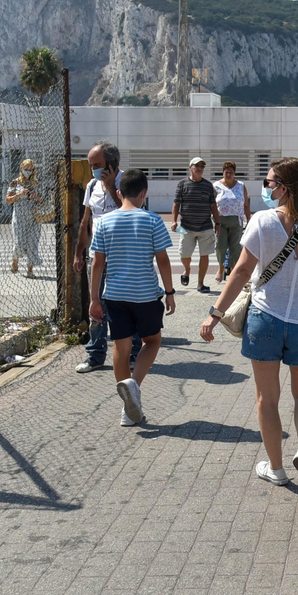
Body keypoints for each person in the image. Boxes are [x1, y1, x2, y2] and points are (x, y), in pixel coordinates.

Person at [201, 157, 298, 493]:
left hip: (265, 318)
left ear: (285, 187)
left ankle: (277, 468)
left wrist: (215, 313)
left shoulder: (264, 222)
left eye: (270, 183)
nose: (267, 188)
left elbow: (239, 271)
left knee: (267, 397)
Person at [89, 170, 176, 426]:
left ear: (119, 193)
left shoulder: (104, 222)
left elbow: (97, 263)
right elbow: (162, 259)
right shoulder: (152, 220)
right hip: (146, 295)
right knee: (152, 341)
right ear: (144, 193)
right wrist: (169, 292)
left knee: (120, 347)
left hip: (114, 295)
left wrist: (94, 299)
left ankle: (127, 409)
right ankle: (133, 388)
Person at [74, 142, 124, 374]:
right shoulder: (92, 185)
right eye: (90, 165)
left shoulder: (127, 182)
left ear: (112, 165)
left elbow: (132, 210)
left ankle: (132, 354)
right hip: (98, 257)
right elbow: (86, 221)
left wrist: (112, 187)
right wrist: (78, 253)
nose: (93, 169)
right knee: (96, 306)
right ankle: (95, 356)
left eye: (97, 165)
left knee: (124, 305)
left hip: (123, 257)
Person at [171, 157, 221, 293]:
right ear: (190, 168)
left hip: (205, 226)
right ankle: (187, 270)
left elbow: (213, 205)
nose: (199, 168)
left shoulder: (208, 185)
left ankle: (200, 284)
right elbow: (176, 204)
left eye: (202, 166)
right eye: (196, 165)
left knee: (205, 255)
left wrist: (217, 223)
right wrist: (174, 221)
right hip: (186, 227)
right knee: (184, 254)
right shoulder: (182, 184)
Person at [213, 161, 250, 283]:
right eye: (226, 172)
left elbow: (246, 205)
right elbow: (212, 205)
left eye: (231, 172)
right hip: (221, 221)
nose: (229, 174)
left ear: (235, 173)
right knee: (221, 246)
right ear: (223, 172)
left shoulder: (241, 185)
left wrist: (249, 220)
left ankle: (234, 271)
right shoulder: (216, 186)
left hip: (236, 220)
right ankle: (221, 268)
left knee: (235, 248)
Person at [6, 158, 41, 278]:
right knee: (19, 243)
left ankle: (30, 271)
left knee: (32, 244)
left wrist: (35, 196)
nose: (28, 172)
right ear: (21, 169)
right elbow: (8, 200)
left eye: (31, 170)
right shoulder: (14, 183)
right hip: (19, 218)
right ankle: (15, 259)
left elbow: (42, 200)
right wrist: (19, 194)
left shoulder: (36, 183)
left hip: (34, 219)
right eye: (26, 169)